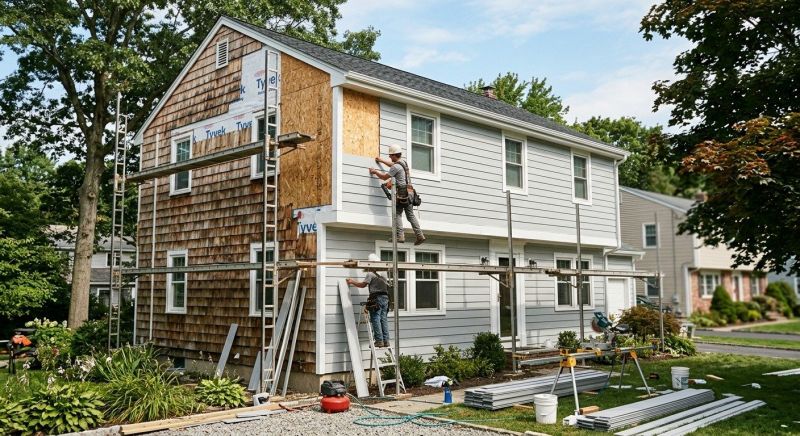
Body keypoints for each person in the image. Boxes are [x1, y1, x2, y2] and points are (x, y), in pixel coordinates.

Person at [369, 144, 426, 246]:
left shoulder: (395, 166)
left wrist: (374, 171)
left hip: (402, 193)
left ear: (395, 155)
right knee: (411, 215)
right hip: (410, 192)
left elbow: (384, 177)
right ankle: (420, 235)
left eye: (391, 155)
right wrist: (381, 161)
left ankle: (400, 236)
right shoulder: (403, 163)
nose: (390, 157)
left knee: (397, 214)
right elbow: (392, 165)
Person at [346, 253, 391, 348]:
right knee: (383, 319)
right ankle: (386, 341)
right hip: (385, 298)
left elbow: (363, 285)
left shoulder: (370, 274)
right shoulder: (384, 273)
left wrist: (352, 281)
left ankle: (379, 341)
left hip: (376, 299)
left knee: (375, 318)